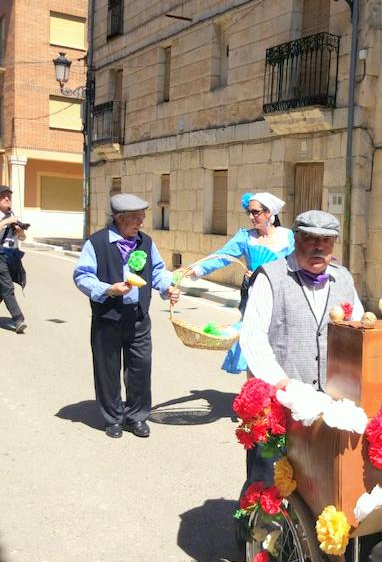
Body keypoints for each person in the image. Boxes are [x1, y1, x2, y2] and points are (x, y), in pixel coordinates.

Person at [239, 209, 364, 485]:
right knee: (268, 482)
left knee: (316, 485)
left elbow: (358, 335)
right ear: (295, 239)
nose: (319, 247)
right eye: (310, 239)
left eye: (327, 241)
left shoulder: (343, 279)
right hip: (280, 403)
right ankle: (258, 527)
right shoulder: (270, 277)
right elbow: (252, 337)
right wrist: (283, 384)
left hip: (328, 406)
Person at [73, 193, 180, 439]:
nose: (141, 223)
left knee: (140, 368)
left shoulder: (146, 242)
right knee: (107, 368)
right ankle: (113, 418)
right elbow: (82, 276)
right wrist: (108, 289)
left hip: (138, 316)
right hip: (107, 317)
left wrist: (168, 287)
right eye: (136, 218)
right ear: (120, 218)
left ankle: (136, 417)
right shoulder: (96, 243)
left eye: (142, 218)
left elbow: (158, 271)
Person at [187, 192, 294, 373]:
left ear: (270, 213)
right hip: (252, 294)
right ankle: (253, 394)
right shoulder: (246, 237)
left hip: (279, 296)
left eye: (255, 212)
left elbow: (297, 263)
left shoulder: (287, 237)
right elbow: (223, 256)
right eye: (249, 213)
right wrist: (197, 269)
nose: (251, 217)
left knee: (276, 343)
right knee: (252, 342)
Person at [0, 185, 28, 333]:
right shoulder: (6, 218)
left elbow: (23, 237)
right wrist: (6, 222)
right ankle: (18, 319)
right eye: (3, 196)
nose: (6, 199)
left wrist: (20, 231)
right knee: (7, 287)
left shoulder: (14, 215)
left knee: (2, 289)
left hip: (12, 256)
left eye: (8, 197)